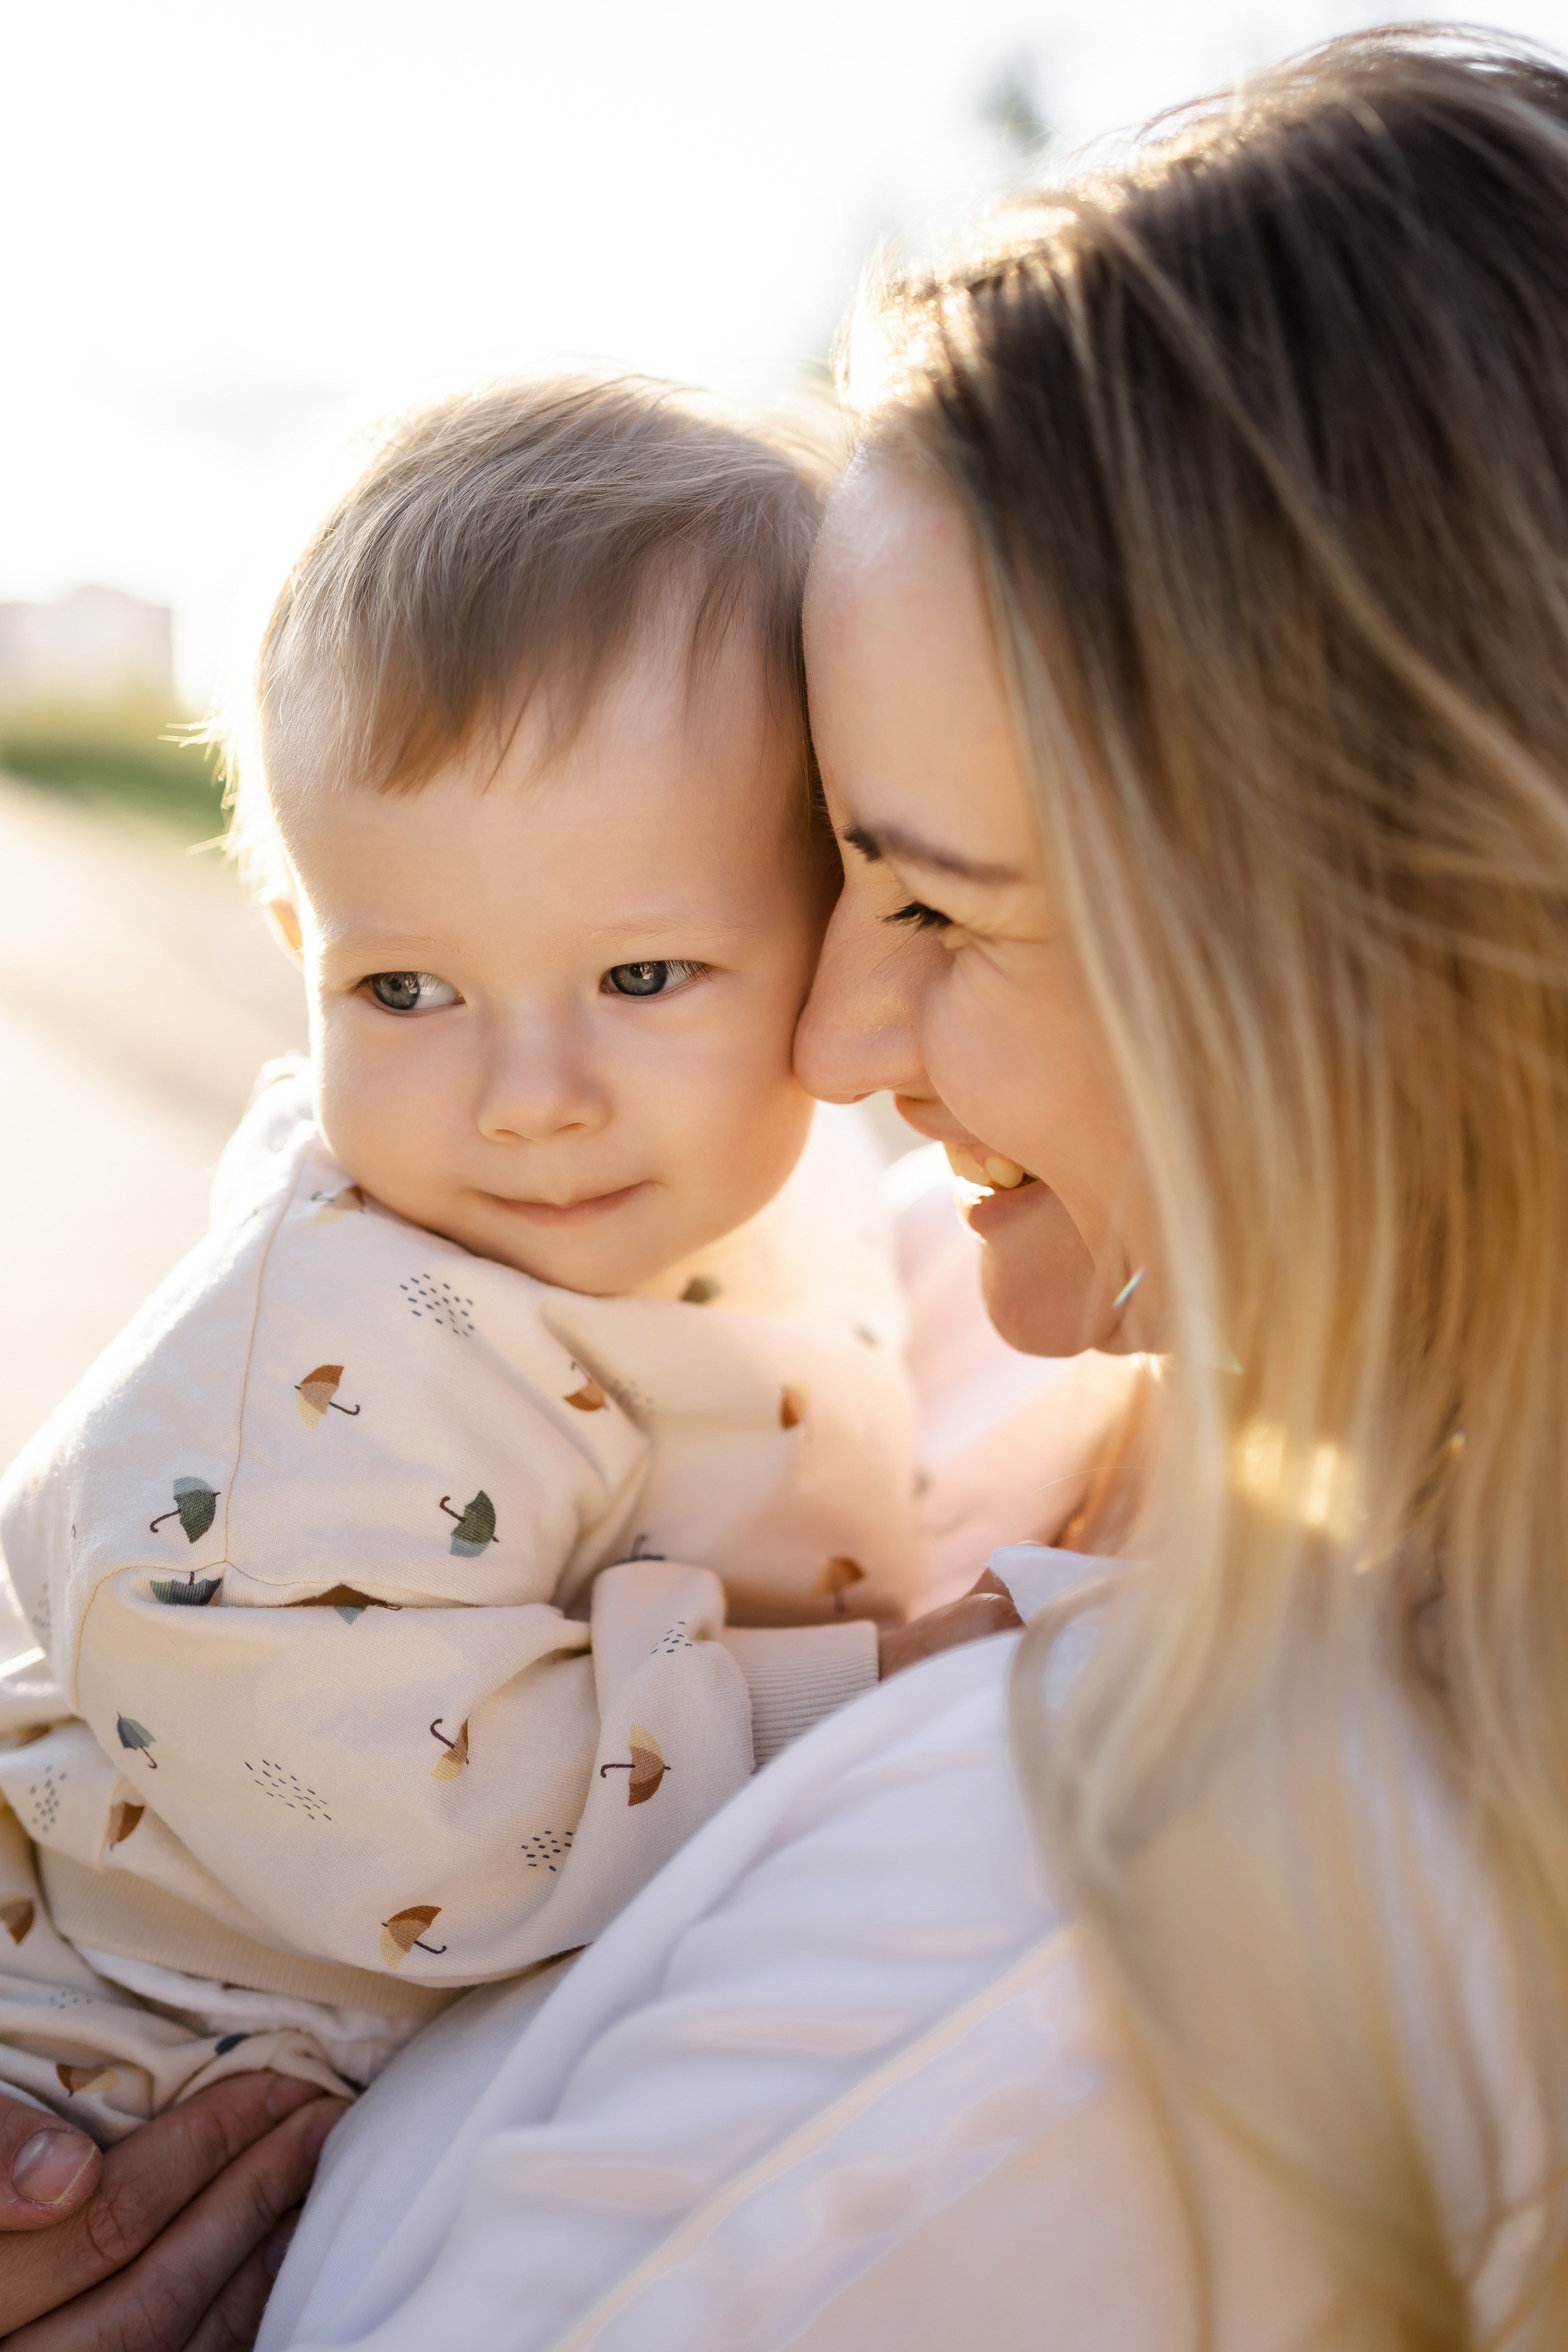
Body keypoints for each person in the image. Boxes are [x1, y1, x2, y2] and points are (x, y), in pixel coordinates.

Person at [7, 25, 1564, 2347]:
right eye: (840, 878)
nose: (830, 1047)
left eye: (935, 902)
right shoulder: (1031, 1317)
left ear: (1356, 952)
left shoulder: (1093, 1952)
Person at [0, 375, 1034, 2141]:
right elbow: (449, 1818)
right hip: (133, 2049)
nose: (528, 1102)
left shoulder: (786, 1183)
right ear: (297, 947)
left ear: (832, 930)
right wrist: (852, 1694)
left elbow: (898, 1389)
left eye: (643, 980)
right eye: (405, 990)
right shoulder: (326, 1377)